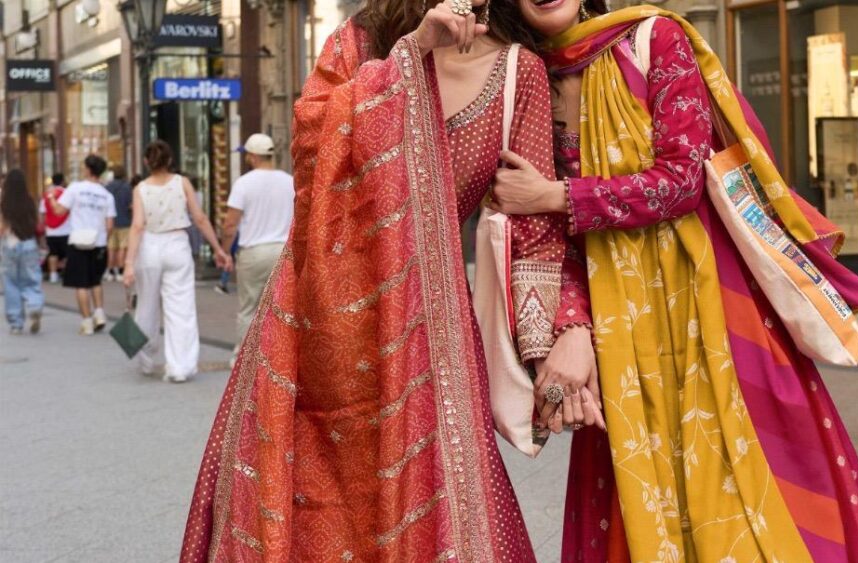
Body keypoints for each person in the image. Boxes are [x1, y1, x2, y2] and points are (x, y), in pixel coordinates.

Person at [178, 1, 596, 560]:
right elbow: (309, 157)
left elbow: (533, 231)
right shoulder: (359, 41)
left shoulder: (519, 72)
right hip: (310, 330)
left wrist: (557, 343)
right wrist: (412, 53)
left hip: (426, 337)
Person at [490, 2, 858, 561]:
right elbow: (542, 236)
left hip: (710, 314)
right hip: (618, 337)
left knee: (754, 497)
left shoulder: (654, 39)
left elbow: (681, 179)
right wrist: (572, 327)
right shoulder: (523, 80)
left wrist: (556, 195)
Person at [122, 141, 232, 383]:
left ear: (146, 162)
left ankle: (145, 358)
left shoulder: (140, 188)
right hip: (177, 245)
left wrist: (129, 263)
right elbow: (200, 218)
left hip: (149, 246)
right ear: (170, 160)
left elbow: (137, 226)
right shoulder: (182, 183)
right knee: (181, 308)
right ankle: (180, 366)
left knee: (146, 305)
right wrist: (218, 249)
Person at [219, 133, 295, 354]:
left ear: (252, 156)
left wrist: (224, 252)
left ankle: (244, 358)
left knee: (249, 308)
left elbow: (230, 224)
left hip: (253, 253)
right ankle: (278, 357)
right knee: (281, 307)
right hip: (283, 251)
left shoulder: (244, 183)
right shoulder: (289, 181)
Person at [47, 155, 116, 335]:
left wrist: (51, 197)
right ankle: (99, 313)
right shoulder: (107, 195)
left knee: (81, 284)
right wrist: (103, 239)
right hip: (99, 243)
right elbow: (110, 225)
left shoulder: (75, 188)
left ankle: (86, 322)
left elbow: (59, 210)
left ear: (87, 169)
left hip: (78, 241)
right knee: (95, 281)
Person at [2, 170, 45, 335]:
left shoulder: (4, 202)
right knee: (32, 279)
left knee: (11, 283)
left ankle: (16, 323)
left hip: (10, 243)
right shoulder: (29, 200)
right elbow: (37, 223)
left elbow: (1, 227)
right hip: (29, 243)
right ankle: (35, 306)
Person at [104, 164, 133, 281]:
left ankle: (110, 271)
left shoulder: (107, 187)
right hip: (125, 221)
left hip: (110, 221)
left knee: (111, 248)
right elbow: (131, 205)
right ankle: (120, 270)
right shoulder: (127, 187)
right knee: (123, 247)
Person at [40, 172, 70, 283]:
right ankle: (66, 274)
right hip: (66, 229)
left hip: (50, 230)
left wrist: (44, 226)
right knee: (67, 254)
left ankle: (53, 274)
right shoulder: (67, 193)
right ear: (63, 181)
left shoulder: (46, 195)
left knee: (53, 253)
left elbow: (42, 212)